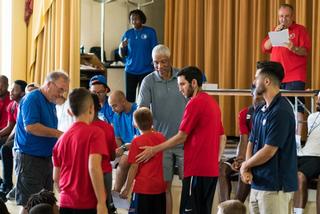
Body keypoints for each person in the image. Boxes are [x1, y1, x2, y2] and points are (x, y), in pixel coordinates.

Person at [136, 66, 226, 214]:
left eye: (183, 84)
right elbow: (222, 137)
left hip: (197, 171)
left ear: (194, 83)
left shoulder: (194, 103)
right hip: (211, 172)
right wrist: (214, 161)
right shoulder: (213, 103)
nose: (180, 89)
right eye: (178, 85)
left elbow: (181, 136)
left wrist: (154, 149)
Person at [240, 61, 298, 214]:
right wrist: (247, 168)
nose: (253, 82)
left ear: (267, 81)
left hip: (275, 187)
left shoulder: (281, 110)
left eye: (256, 78)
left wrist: (246, 165)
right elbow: (251, 141)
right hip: (257, 184)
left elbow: (269, 150)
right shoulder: (260, 109)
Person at [137, 44, 187, 214]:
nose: (159, 67)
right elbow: (141, 110)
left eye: (163, 62)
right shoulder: (148, 81)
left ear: (170, 60)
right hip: (161, 144)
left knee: (188, 185)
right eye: (155, 63)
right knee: (164, 187)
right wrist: (145, 134)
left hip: (183, 141)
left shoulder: (182, 77)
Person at [14, 71, 69, 213]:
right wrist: (59, 134)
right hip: (29, 158)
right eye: (60, 89)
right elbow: (31, 127)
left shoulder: (50, 102)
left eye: (64, 91)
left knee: (45, 202)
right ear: (50, 84)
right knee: (29, 204)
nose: (61, 94)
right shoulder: (32, 99)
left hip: (45, 158)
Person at [261, 3, 311, 149]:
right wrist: (274, 34)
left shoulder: (300, 30)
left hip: (295, 75)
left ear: (292, 16)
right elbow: (265, 47)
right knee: (274, 107)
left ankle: (296, 141)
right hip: (276, 76)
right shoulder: (276, 30)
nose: (283, 19)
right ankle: (274, 139)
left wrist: (293, 47)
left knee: (297, 108)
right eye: (281, 16)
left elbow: (305, 51)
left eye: (287, 16)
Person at [52, 88, 108, 214]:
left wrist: (64, 196)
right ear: (91, 108)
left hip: (66, 202)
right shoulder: (95, 133)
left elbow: (56, 177)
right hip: (88, 203)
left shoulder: (61, 139)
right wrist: (101, 202)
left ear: (70, 111)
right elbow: (94, 167)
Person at [119, 107, 167, 214]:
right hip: (159, 187)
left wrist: (127, 188)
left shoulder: (136, 142)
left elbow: (134, 167)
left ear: (135, 124)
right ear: (151, 121)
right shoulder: (161, 137)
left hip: (143, 188)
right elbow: (155, 135)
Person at [118, 9, 158, 102]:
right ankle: (130, 117)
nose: (134, 21)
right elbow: (122, 55)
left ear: (142, 19)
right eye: (132, 19)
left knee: (144, 98)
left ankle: (143, 116)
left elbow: (155, 50)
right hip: (130, 70)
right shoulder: (128, 34)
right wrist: (121, 47)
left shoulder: (150, 32)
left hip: (146, 70)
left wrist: (155, 65)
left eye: (136, 19)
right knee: (129, 99)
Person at [293, 91, 320, 214]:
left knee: (300, 176)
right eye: (318, 100)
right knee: (298, 176)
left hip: (317, 156)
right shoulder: (312, 117)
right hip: (305, 154)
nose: (317, 103)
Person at [0, 80, 27, 201]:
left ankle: (7, 185)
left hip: (24, 137)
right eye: (11, 89)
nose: (11, 91)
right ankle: (3, 183)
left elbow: (19, 127)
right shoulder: (12, 106)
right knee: (5, 147)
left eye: (14, 90)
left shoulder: (25, 105)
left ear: (22, 93)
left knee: (5, 149)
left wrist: (9, 140)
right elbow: (11, 126)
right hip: (14, 135)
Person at [108, 90, 139, 193]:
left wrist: (123, 148)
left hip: (137, 146)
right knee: (104, 159)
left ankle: (115, 193)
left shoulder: (137, 111)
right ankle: (104, 195)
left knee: (124, 161)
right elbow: (117, 138)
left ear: (123, 101)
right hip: (126, 147)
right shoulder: (117, 115)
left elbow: (140, 140)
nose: (113, 110)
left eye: (114, 106)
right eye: (111, 107)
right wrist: (116, 151)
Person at [91, 93, 117, 214]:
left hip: (84, 173)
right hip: (104, 172)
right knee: (105, 205)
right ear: (99, 107)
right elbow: (112, 156)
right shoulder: (108, 128)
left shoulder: (77, 129)